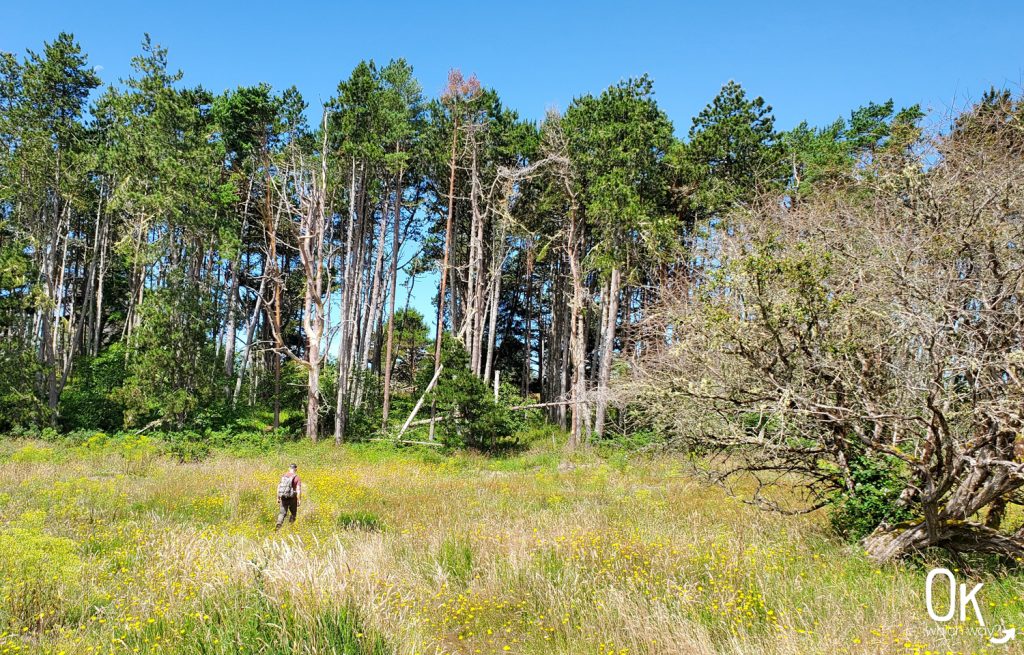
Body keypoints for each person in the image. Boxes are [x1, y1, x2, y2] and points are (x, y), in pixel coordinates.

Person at [275, 463, 302, 529]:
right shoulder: (296, 478)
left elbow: (279, 487)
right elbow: (298, 490)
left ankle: (279, 524)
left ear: (289, 468)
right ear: (296, 469)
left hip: (283, 496)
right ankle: (291, 527)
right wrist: (299, 500)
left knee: (282, 513)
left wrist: (278, 497)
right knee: (293, 513)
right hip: (292, 497)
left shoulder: (284, 476)